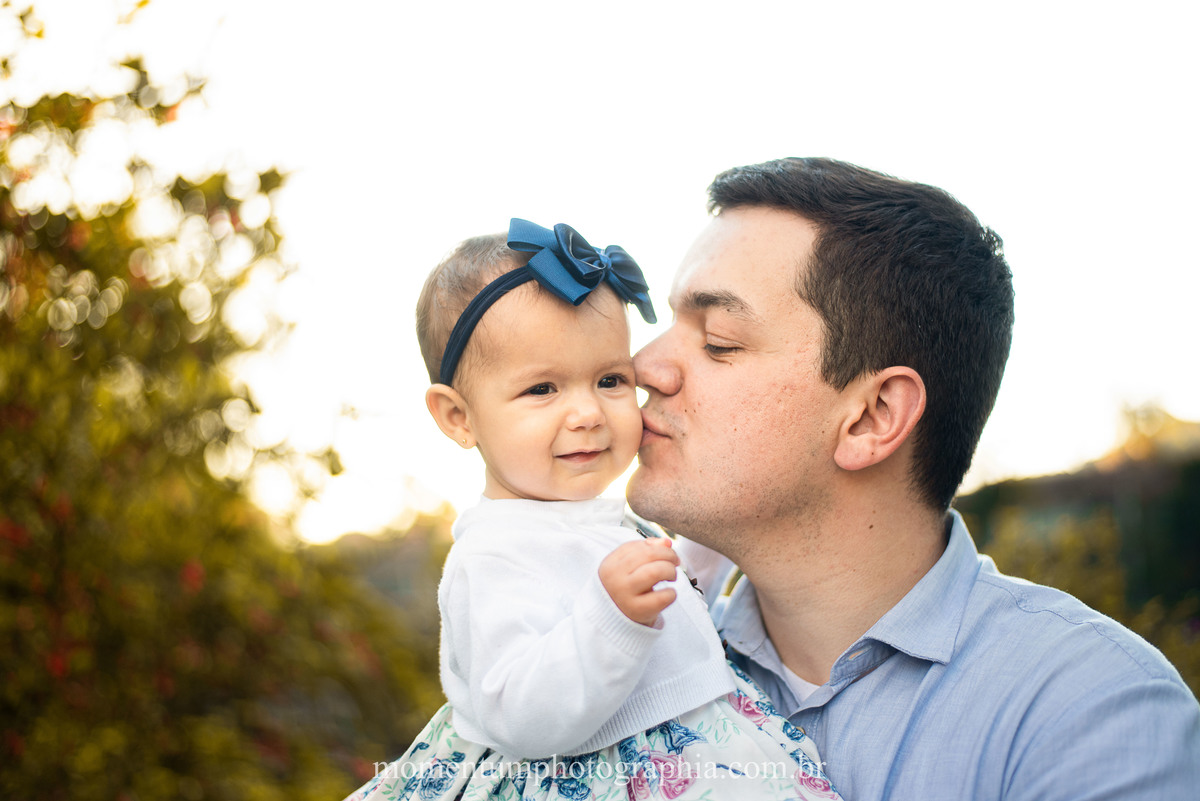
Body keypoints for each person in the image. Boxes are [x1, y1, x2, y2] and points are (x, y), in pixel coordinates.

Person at [626, 156, 1200, 800]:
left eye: (719, 341)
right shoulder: (621, 667)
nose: (643, 366)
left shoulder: (1089, 713)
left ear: (873, 416)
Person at [344, 219, 843, 801]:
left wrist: (696, 559)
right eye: (542, 390)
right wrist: (609, 619)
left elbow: (663, 605)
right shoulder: (494, 555)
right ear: (459, 417)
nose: (587, 413)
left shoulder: (589, 519)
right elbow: (516, 712)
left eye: (610, 380)